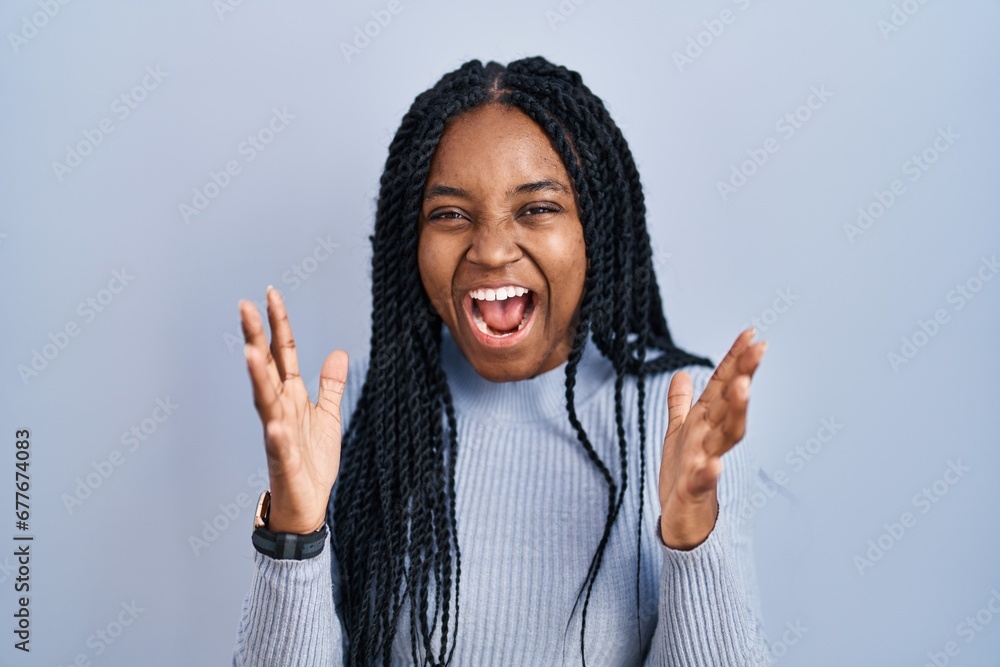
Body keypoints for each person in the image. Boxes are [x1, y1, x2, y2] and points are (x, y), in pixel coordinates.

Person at [232, 56, 770, 666]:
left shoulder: (677, 415)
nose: (489, 250)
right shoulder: (351, 413)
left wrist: (692, 535)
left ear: (595, 227)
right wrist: (293, 534)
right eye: (450, 214)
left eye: (537, 208)